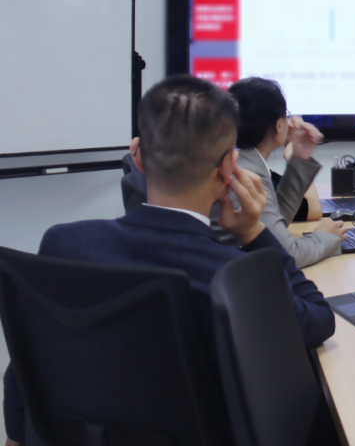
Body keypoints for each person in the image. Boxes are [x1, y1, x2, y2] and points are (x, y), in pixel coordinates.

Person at [3, 75, 336, 445]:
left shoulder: (63, 244)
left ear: (138, 156)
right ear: (229, 168)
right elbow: (318, 319)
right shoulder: (232, 278)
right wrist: (254, 233)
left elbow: (26, 375)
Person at [228, 77, 346, 269]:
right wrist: (324, 237)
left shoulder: (244, 161)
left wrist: (299, 158)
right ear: (278, 125)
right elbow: (288, 255)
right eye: (287, 115)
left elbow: (274, 225)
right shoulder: (246, 172)